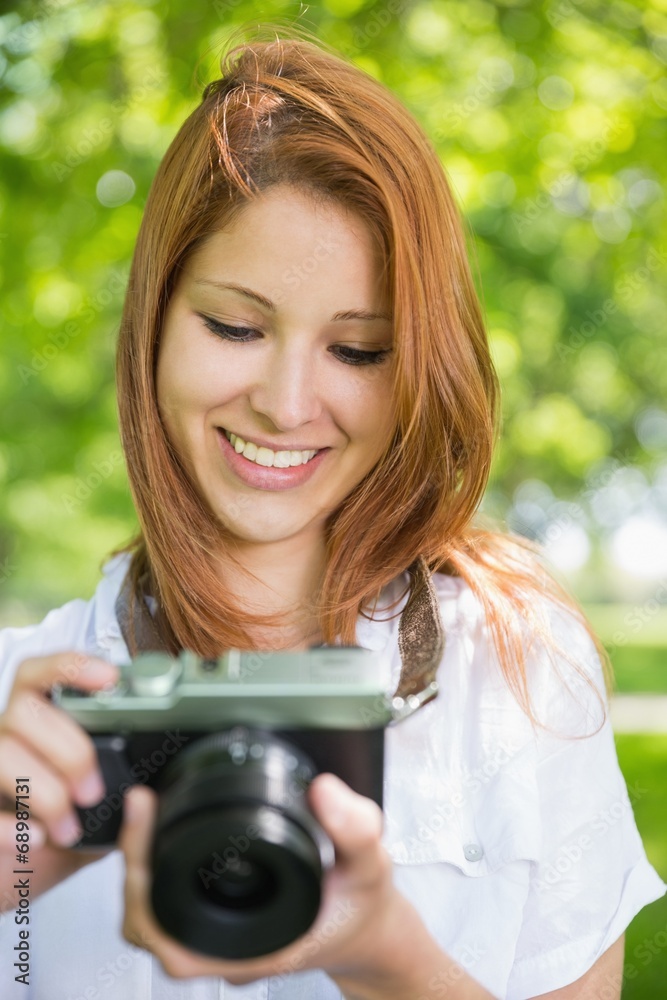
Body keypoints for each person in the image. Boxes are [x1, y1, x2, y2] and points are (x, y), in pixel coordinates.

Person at [0, 23, 664, 1000]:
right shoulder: (24, 712)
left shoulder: (515, 676)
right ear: (153, 320)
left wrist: (386, 958)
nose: (284, 401)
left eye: (357, 349)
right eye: (234, 325)